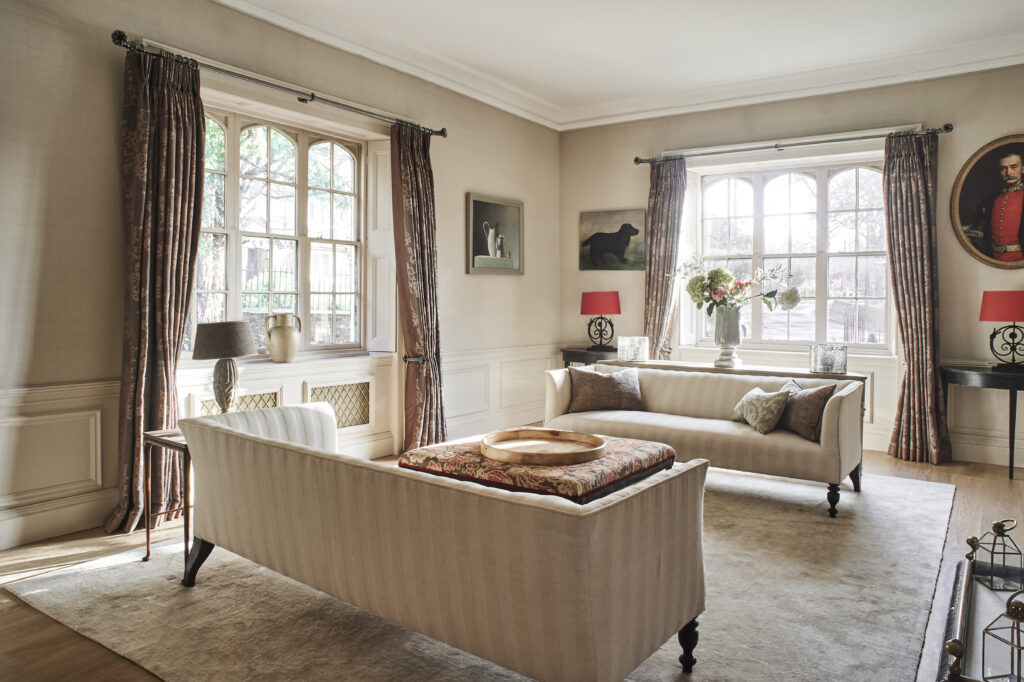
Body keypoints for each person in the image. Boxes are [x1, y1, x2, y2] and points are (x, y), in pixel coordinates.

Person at [965, 151, 1024, 262]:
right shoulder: (990, 200)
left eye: (1013, 167)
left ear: (1023, 169)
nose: (1008, 172)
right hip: (993, 259)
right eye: (1004, 168)